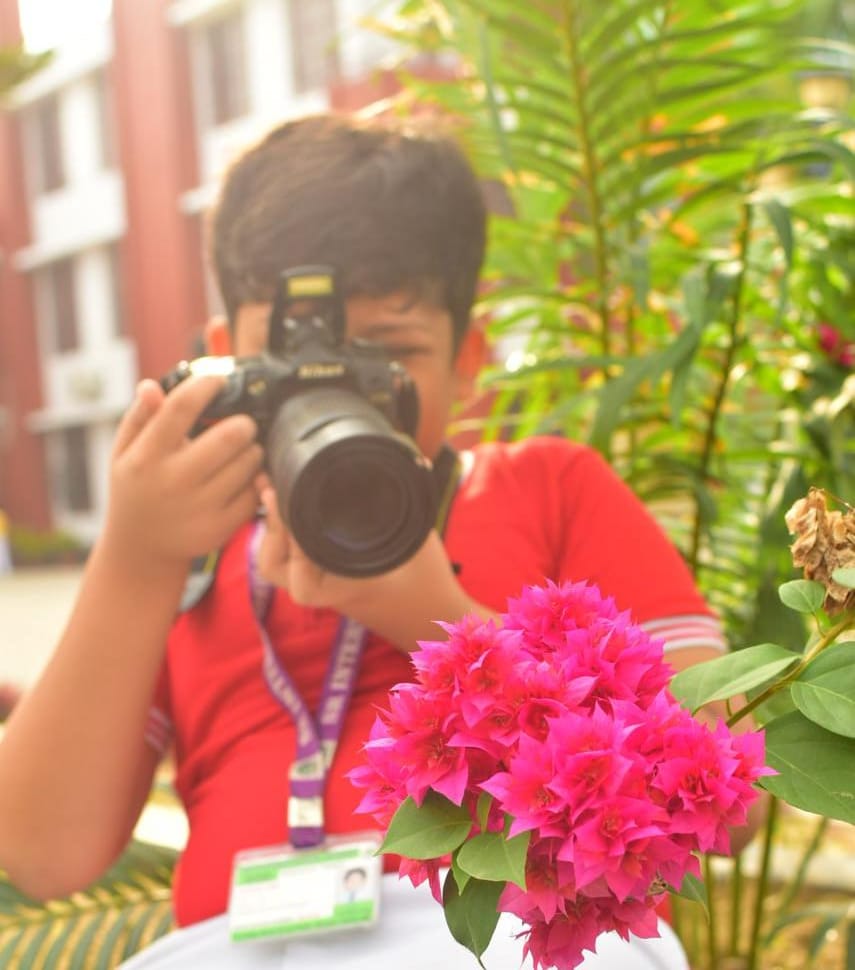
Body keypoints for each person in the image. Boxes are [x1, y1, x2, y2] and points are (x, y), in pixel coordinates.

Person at [0, 114, 739, 968]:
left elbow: (714, 785)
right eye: (291, 362)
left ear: (467, 359)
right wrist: (135, 559)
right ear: (223, 362)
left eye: (385, 358)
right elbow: (43, 854)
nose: (338, 402)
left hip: (499, 942)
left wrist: (436, 616)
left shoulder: (546, 487)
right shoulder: (190, 553)